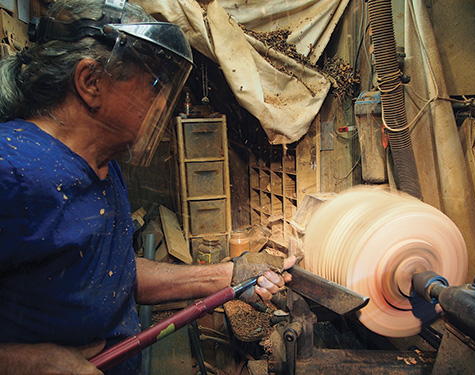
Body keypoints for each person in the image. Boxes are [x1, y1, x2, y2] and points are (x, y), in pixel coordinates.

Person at [0, 1, 295, 374]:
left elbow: (110, 273)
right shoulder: (11, 169)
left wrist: (228, 275)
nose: (161, 105)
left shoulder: (105, 164)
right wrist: (30, 363)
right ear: (91, 82)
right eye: (152, 86)